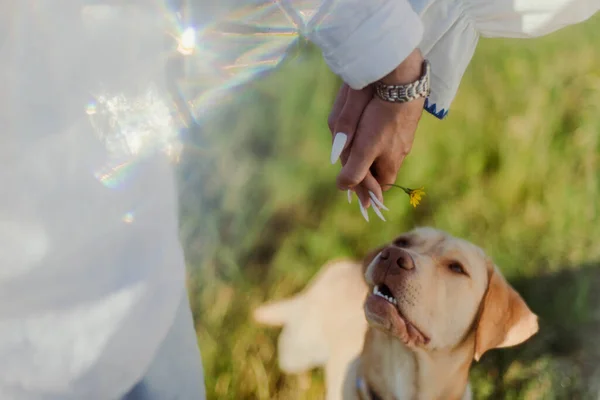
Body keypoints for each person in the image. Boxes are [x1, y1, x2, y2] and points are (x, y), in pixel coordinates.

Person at [0, 1, 596, 400]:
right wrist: (391, 62)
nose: (400, 255)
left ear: (489, 322)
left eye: (455, 267)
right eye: (405, 243)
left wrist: (391, 56)